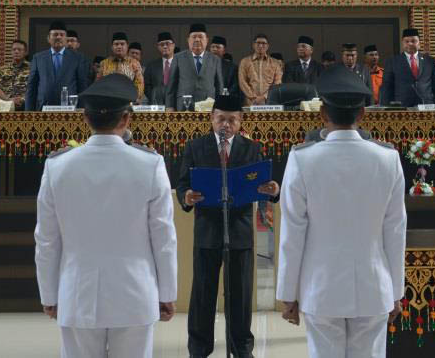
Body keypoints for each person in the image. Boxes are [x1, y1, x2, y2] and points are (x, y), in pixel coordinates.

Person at [35, 74, 177, 358]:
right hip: (135, 293)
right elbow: (163, 238)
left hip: (77, 293)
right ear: (126, 119)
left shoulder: (58, 166)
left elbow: (47, 240)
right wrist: (167, 293)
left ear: (85, 118)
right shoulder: (150, 164)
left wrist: (49, 294)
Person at [276, 65, 407, 357]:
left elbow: (292, 233)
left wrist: (288, 294)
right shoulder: (387, 159)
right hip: (374, 287)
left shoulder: (302, 159)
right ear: (362, 114)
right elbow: (395, 232)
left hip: (320, 288)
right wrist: (396, 291)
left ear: (323, 113)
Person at [176, 93, 280, 358]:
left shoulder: (251, 148)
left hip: (240, 232)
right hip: (207, 231)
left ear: (241, 121)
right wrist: (186, 197)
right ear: (212, 118)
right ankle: (199, 350)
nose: (226, 125)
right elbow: (183, 184)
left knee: (240, 296)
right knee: (203, 295)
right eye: (221, 119)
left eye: (232, 120)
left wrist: (273, 190)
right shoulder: (196, 147)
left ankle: (242, 348)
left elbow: (265, 184)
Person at [26, 21, 89, 111]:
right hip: (43, 108)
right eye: (55, 34)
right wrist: (28, 111)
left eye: (62, 35)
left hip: (70, 109)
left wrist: (82, 109)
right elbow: (32, 86)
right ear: (48, 38)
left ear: (66, 38)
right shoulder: (38, 58)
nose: (58, 37)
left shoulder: (77, 58)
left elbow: (82, 85)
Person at [166, 23, 223, 111]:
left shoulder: (215, 59)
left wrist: (220, 106)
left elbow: (219, 85)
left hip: (208, 105)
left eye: (200, 37)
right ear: (188, 40)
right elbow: (171, 85)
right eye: (194, 37)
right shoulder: (178, 57)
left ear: (207, 40)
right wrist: (169, 106)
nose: (197, 39)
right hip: (184, 105)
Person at [380, 28, 435, 107]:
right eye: (407, 41)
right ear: (402, 43)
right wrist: (386, 107)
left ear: (419, 43)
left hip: (426, 105)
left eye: (413, 41)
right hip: (402, 106)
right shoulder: (393, 61)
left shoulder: (429, 61)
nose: (410, 44)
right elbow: (386, 86)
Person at [97, 32, 145, 102]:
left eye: (122, 44)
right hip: (108, 103)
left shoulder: (135, 63)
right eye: (116, 44)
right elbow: (98, 85)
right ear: (112, 47)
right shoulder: (104, 64)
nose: (119, 46)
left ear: (127, 46)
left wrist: (135, 100)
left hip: (128, 103)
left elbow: (140, 85)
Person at [238, 33, 283, 106]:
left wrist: (264, 97)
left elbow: (277, 83)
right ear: (253, 45)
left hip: (269, 101)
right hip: (250, 102)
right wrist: (253, 97)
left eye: (263, 43)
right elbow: (242, 82)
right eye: (258, 43)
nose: (261, 46)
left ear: (268, 46)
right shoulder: (245, 62)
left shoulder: (275, 63)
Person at [0, 39, 30, 110]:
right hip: (6, 105)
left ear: (25, 52)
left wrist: (23, 99)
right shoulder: (3, 69)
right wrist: (8, 100)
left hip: (26, 105)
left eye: (19, 49)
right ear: (11, 52)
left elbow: (37, 87)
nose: (16, 51)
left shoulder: (33, 68)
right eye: (14, 49)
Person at [143, 33, 175, 106]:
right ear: (158, 47)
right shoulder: (151, 66)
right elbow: (146, 86)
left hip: (176, 106)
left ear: (173, 45)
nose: (165, 46)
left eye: (167, 43)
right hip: (156, 106)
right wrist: (155, 97)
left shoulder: (181, 64)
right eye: (162, 44)